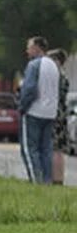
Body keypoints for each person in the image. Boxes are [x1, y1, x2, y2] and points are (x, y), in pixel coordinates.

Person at [19, 36, 59, 184]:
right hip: (50, 113)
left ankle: (36, 181)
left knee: (30, 149)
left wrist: (22, 107)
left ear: (37, 48)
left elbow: (29, 89)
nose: (27, 50)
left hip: (34, 111)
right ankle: (47, 181)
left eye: (29, 47)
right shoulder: (53, 65)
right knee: (46, 149)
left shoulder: (34, 65)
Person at [48, 49, 69, 185]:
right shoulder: (64, 76)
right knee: (59, 149)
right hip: (62, 114)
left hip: (55, 114)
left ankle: (54, 178)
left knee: (54, 148)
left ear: (57, 61)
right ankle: (59, 179)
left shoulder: (56, 76)